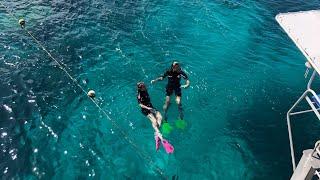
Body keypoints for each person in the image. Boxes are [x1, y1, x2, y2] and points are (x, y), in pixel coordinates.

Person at [137, 82, 174, 153]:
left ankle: (157, 134)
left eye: (145, 85)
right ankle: (159, 135)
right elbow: (140, 105)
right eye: (144, 86)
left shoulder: (145, 90)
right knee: (154, 121)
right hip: (146, 110)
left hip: (151, 107)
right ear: (141, 88)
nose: (145, 86)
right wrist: (148, 108)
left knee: (160, 116)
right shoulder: (139, 95)